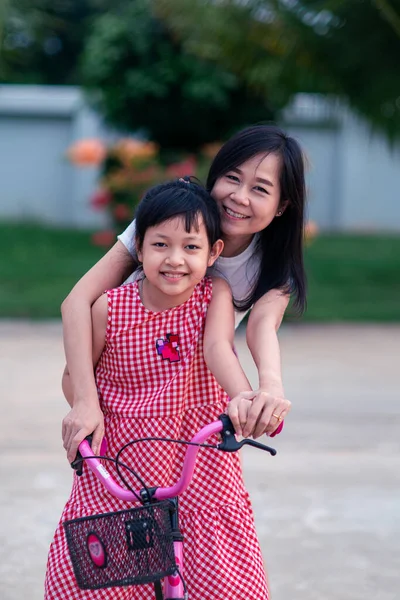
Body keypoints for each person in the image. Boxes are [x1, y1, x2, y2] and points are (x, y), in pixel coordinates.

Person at [45, 178, 270, 599]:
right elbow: (74, 379)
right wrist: (84, 406)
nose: (174, 260)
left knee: (222, 581)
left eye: (190, 247)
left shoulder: (213, 295)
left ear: (213, 252)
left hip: (198, 465)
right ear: (140, 248)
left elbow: (219, 347)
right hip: (122, 462)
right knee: (93, 582)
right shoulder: (110, 308)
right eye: (160, 245)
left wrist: (245, 397)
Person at [62, 124, 307, 463]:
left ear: (282, 206)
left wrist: (268, 389)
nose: (240, 196)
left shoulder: (273, 264)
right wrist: (85, 401)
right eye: (232, 178)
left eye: (260, 189)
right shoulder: (167, 221)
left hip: (187, 388)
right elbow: (76, 301)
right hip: (122, 373)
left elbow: (260, 329)